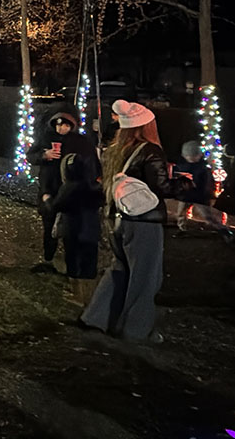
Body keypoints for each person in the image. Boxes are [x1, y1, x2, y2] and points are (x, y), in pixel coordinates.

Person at [81, 100, 184, 343]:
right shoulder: (151, 151)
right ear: (146, 125)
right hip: (143, 221)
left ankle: (96, 318)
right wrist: (185, 185)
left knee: (119, 269)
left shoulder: (115, 150)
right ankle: (136, 330)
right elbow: (161, 187)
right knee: (146, 278)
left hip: (117, 218)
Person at [26, 112, 91, 273]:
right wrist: (44, 155)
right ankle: (48, 259)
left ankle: (71, 265)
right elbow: (31, 156)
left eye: (66, 125)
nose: (62, 128)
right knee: (49, 227)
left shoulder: (79, 142)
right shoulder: (45, 138)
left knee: (71, 229)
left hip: (70, 191)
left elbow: (89, 162)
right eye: (59, 125)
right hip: (49, 189)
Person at [47, 149, 103, 306]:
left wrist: (47, 200)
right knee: (89, 263)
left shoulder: (69, 187)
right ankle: (90, 297)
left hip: (74, 230)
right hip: (91, 230)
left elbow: (56, 206)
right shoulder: (92, 186)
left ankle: (78, 295)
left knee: (74, 262)